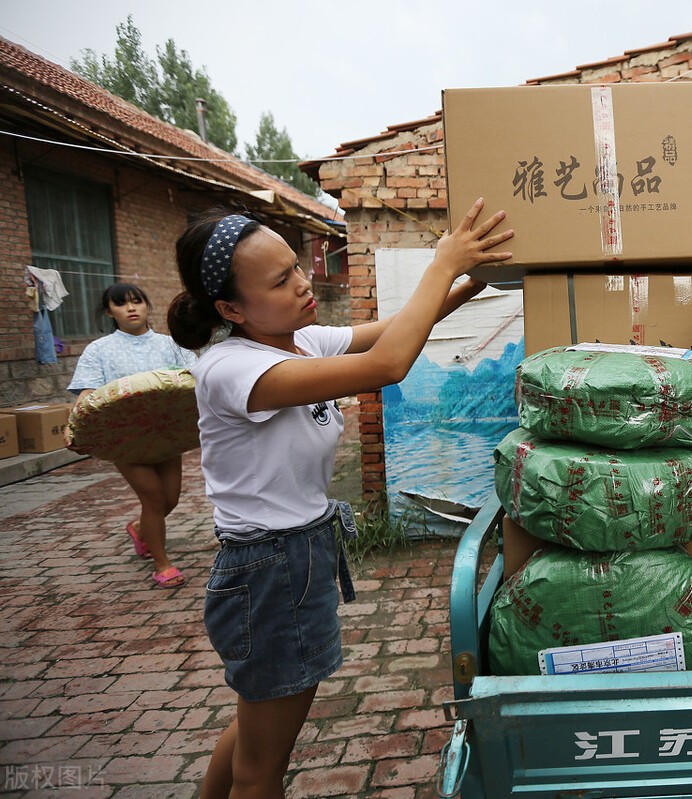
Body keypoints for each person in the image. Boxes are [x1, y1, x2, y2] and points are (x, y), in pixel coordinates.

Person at [167, 200, 512, 799]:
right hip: (266, 571)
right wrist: (442, 262)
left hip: (294, 556)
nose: (303, 283)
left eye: (296, 266)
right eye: (280, 281)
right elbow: (386, 363)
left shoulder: (299, 340)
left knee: (259, 716)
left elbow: (400, 326)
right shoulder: (230, 368)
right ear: (229, 309)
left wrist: (473, 277)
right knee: (261, 764)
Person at [67, 282, 197, 588]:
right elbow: (87, 393)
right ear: (109, 311)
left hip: (167, 435)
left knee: (170, 500)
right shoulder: (98, 351)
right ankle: (162, 564)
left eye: (137, 301)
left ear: (147, 306)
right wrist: (76, 426)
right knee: (153, 499)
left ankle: (140, 530)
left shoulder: (170, 344)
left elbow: (196, 377)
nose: (131, 308)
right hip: (123, 439)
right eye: (122, 303)